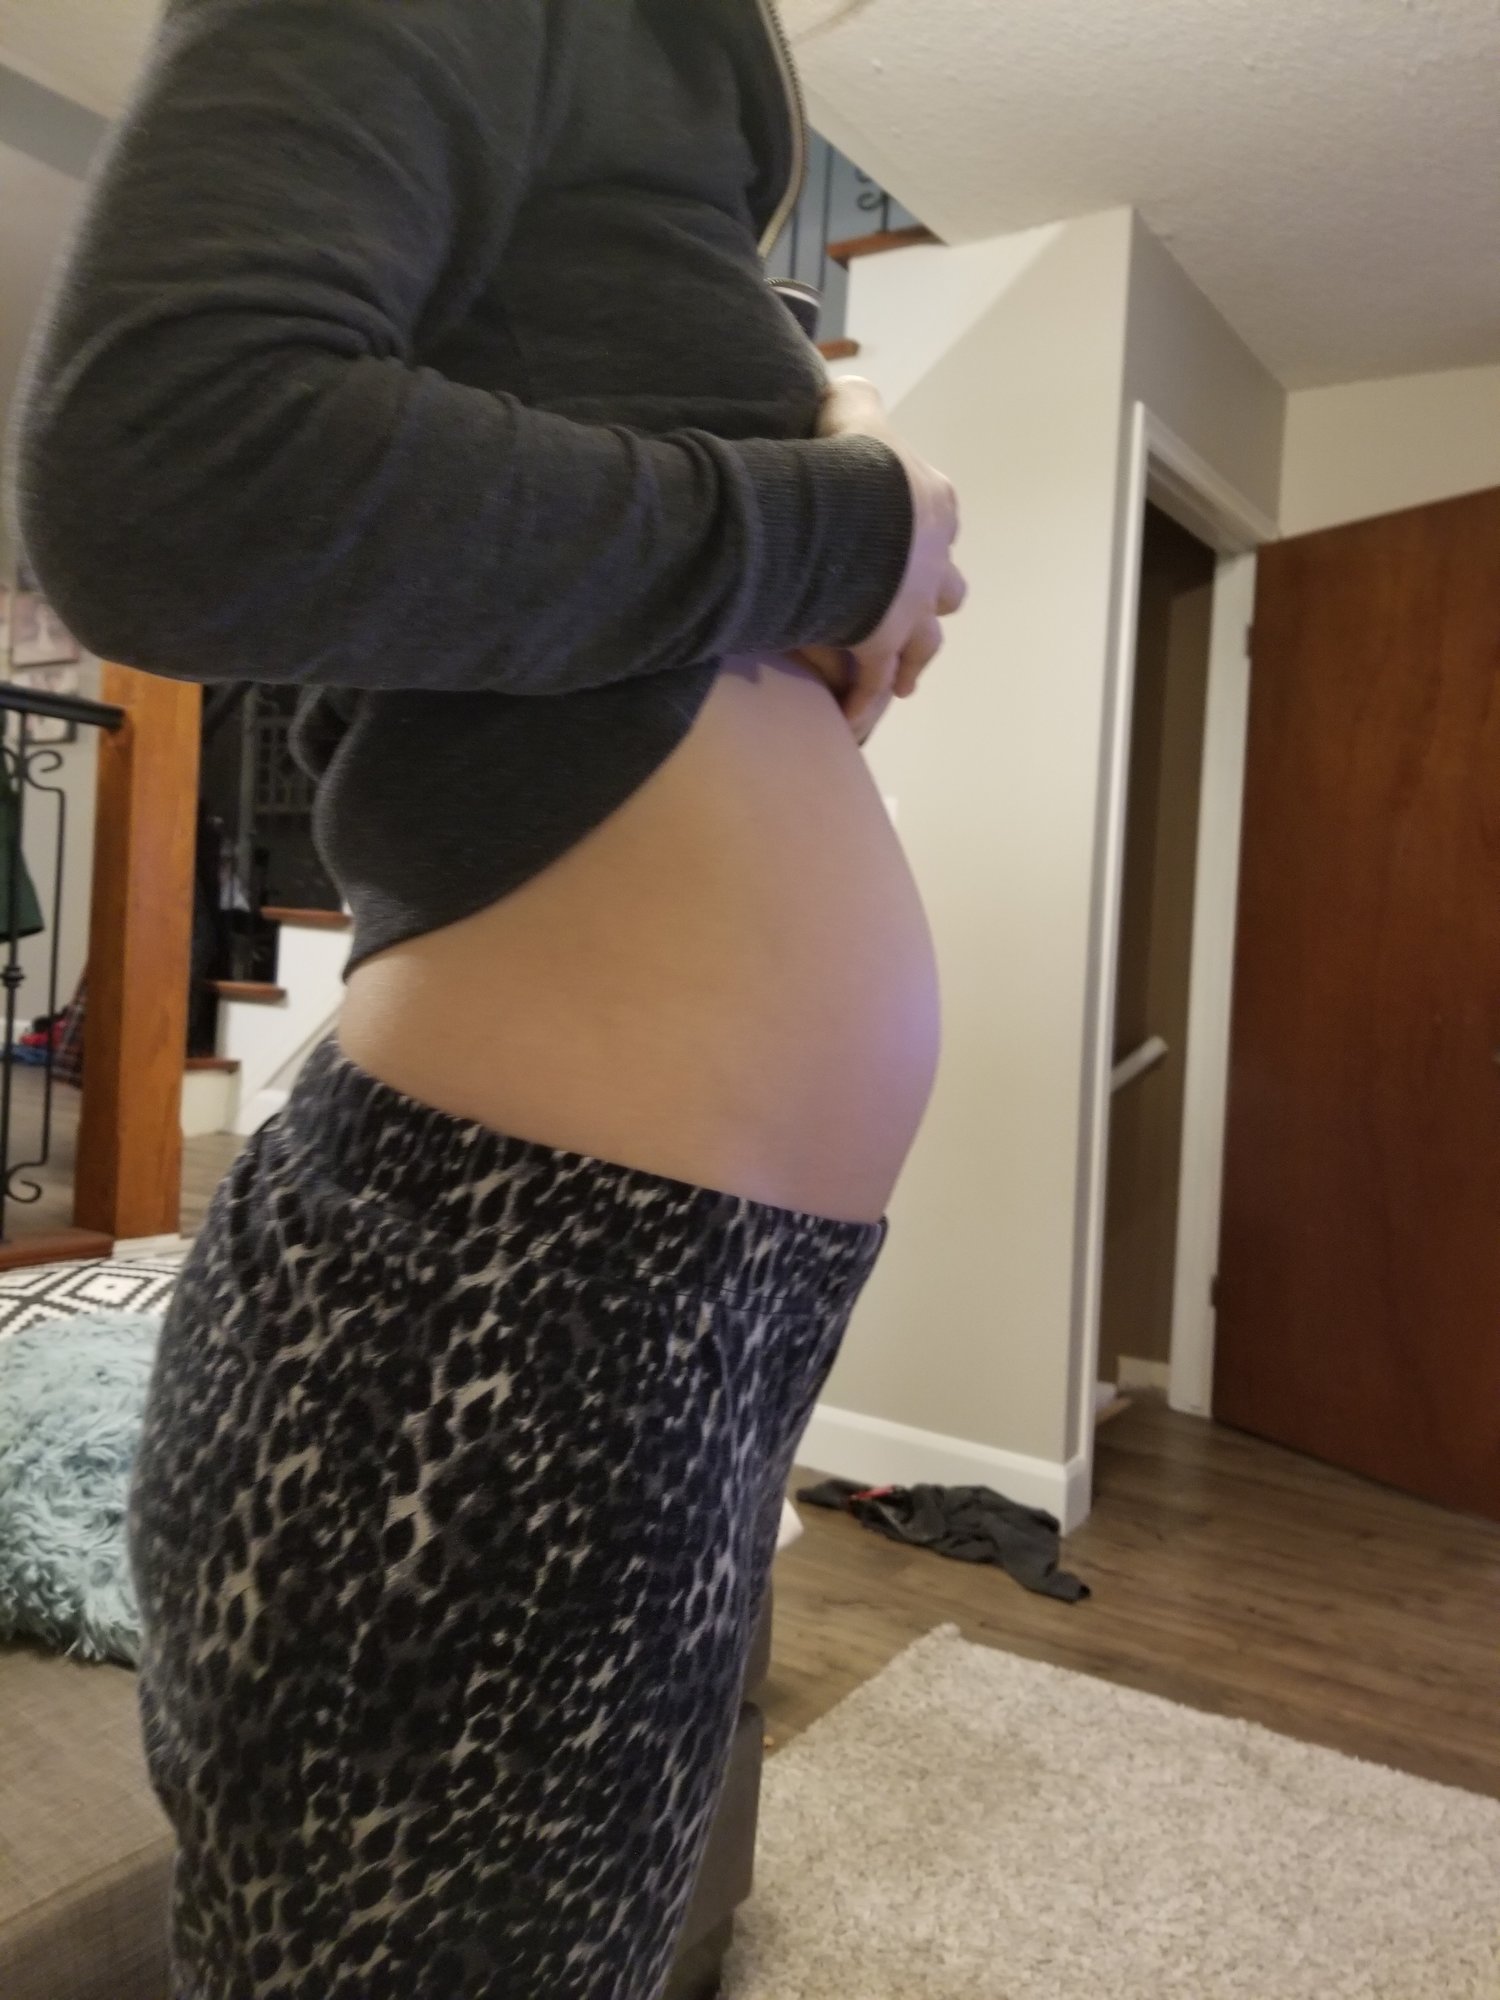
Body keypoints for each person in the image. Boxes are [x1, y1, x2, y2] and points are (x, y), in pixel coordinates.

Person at [15, 1, 965, 1993]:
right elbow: (169, 476)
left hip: (662, 1295)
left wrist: (826, 513)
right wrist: (838, 527)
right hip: (497, 1306)